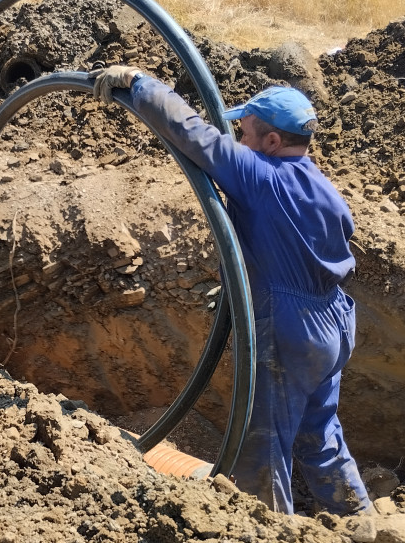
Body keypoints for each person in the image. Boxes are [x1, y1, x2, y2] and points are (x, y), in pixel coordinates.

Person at [90, 65, 372, 517]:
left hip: (291, 327)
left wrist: (140, 85)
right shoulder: (321, 186)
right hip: (335, 323)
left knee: (262, 443)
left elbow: (193, 134)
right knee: (320, 434)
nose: (239, 141)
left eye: (245, 133)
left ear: (272, 142)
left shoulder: (262, 177)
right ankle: (362, 525)